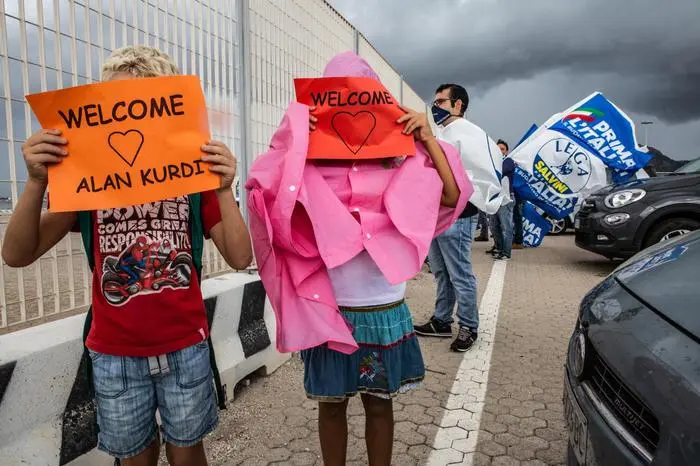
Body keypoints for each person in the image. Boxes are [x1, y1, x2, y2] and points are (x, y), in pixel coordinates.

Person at [1, 46, 253, 466]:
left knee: (189, 453)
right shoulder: (88, 184)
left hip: (186, 347)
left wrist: (226, 189)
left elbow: (240, 256)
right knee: (135, 458)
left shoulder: (193, 181)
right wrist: (35, 183)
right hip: (115, 353)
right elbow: (17, 254)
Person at [246, 52, 472, 466]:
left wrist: (428, 139)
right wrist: (290, 139)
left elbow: (451, 196)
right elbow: (266, 195)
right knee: (331, 405)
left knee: (379, 404)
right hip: (331, 311)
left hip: (382, 308)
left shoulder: (399, 154)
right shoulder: (308, 153)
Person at [414, 84, 504, 352]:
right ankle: (442, 320)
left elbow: (477, 174)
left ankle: (468, 326)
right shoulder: (442, 132)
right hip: (437, 213)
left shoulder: (471, 135)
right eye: (435, 101)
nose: (435, 106)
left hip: (458, 214)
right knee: (441, 271)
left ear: (458, 105)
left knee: (460, 272)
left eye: (441, 102)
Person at [486, 140, 516, 260]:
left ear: (506, 151)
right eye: (497, 149)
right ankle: (499, 248)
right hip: (494, 198)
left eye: (502, 149)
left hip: (506, 198)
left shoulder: (508, 161)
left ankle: (506, 253)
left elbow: (500, 171)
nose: (500, 151)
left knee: (506, 227)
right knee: (494, 226)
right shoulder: (491, 162)